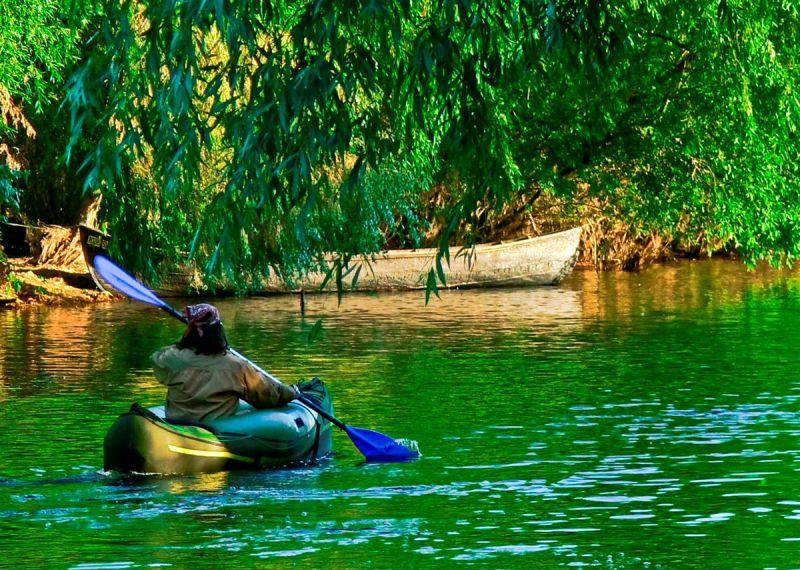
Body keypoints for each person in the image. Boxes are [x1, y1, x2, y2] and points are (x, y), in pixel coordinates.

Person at [151, 303, 297, 422]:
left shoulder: (172, 358)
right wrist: (292, 392)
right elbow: (266, 395)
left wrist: (185, 339)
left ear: (190, 331)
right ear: (218, 331)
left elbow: (158, 356)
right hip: (215, 429)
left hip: (178, 426)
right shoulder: (235, 366)